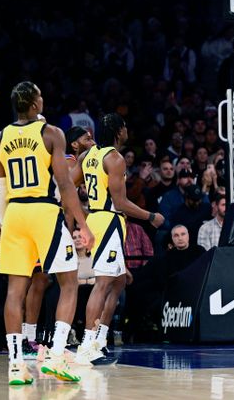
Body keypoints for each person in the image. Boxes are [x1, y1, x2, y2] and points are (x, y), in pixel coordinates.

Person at [0, 81, 94, 384]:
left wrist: (6, 222)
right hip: (44, 212)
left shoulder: (0, 138)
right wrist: (83, 224)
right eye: (40, 97)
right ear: (35, 105)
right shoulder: (51, 133)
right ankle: (58, 355)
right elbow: (64, 185)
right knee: (70, 281)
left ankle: (15, 364)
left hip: (14, 215)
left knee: (15, 291)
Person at [72, 113, 165, 365]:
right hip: (109, 221)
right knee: (102, 284)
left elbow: (69, 184)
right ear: (117, 131)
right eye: (124, 127)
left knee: (119, 281)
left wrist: (83, 214)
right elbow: (121, 202)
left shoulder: (87, 155)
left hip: (98, 220)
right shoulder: (114, 158)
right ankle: (87, 346)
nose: (127, 131)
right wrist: (151, 216)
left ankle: (100, 340)